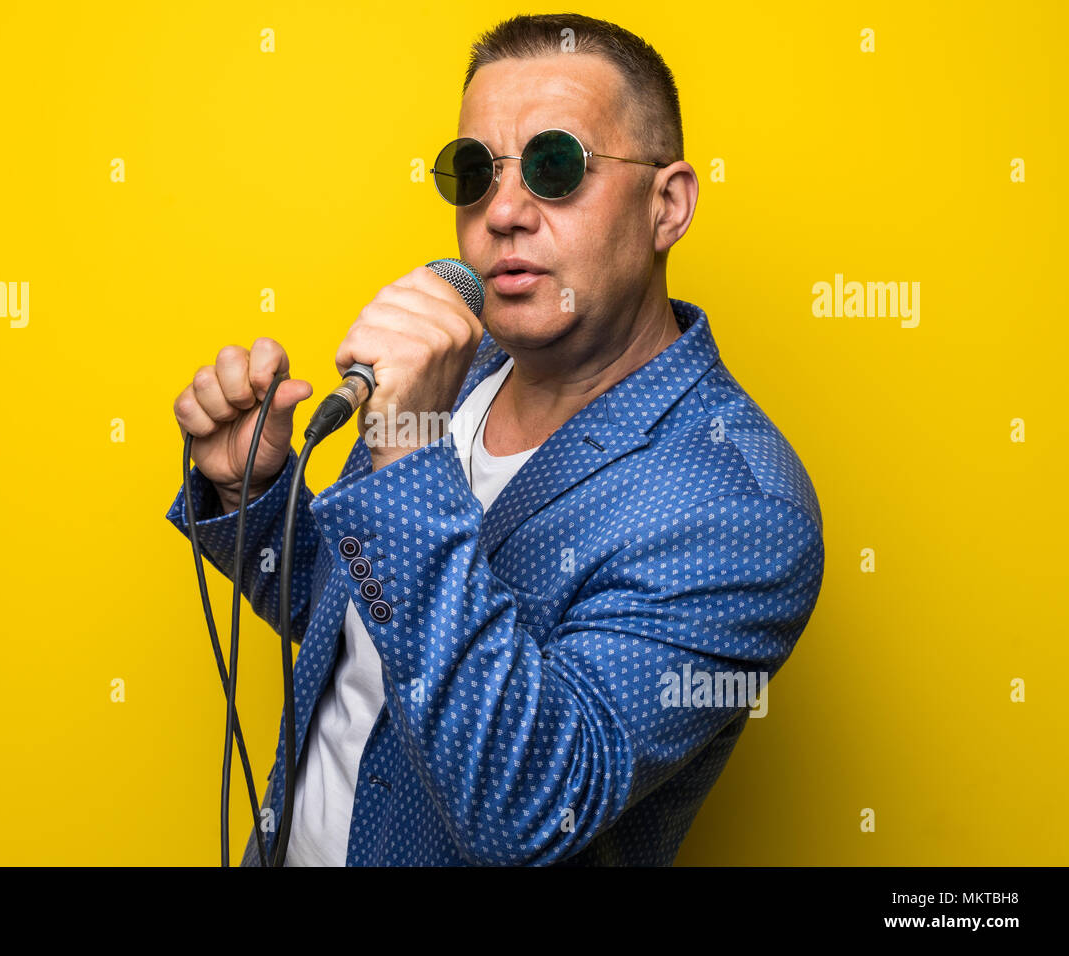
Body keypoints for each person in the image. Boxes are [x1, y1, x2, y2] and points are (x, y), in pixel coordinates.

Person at [167, 12, 824, 866]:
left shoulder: (736, 505)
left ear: (668, 205)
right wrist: (252, 493)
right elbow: (354, 613)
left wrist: (408, 456)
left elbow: (529, 807)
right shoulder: (458, 367)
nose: (504, 211)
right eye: (474, 172)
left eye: (557, 167)